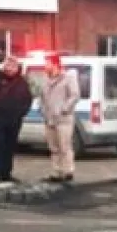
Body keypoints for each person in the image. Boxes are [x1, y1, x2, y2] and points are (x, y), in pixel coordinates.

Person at [0, 56, 33, 183]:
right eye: (7, 65)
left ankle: (7, 173)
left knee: (10, 147)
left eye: (13, 66)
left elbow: (27, 99)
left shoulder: (21, 82)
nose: (10, 68)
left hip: (14, 120)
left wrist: (21, 113)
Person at [39, 53, 81, 183]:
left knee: (65, 146)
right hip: (49, 119)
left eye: (47, 63)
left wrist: (64, 109)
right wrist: (43, 110)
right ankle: (56, 172)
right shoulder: (45, 80)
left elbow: (74, 95)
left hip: (63, 119)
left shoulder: (68, 78)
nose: (45, 66)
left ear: (55, 64)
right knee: (54, 147)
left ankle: (68, 171)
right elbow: (42, 97)